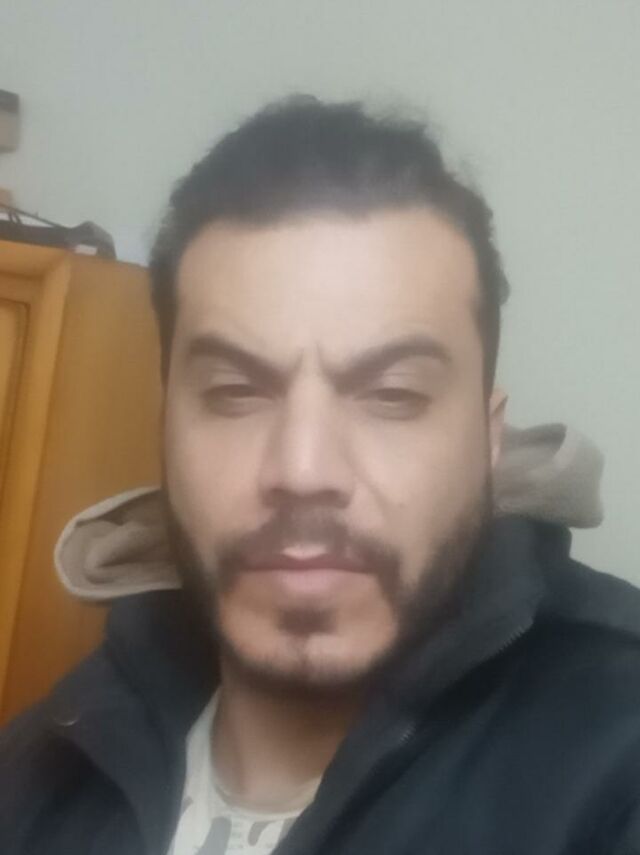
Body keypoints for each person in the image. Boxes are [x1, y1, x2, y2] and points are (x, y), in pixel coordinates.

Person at [2, 96, 639, 855]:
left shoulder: (617, 756)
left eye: (393, 394)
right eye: (235, 393)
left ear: (488, 439)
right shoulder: (41, 764)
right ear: (165, 425)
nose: (303, 470)